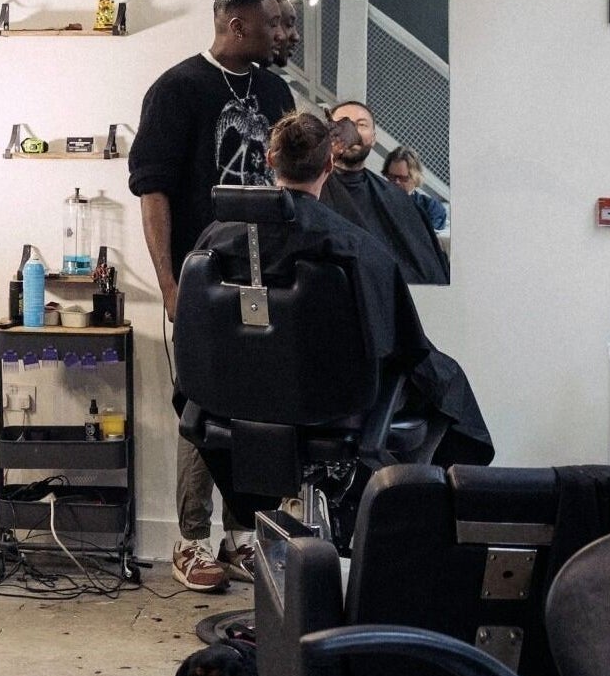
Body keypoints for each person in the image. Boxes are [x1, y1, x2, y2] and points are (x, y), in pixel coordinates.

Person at [184, 111, 493, 536]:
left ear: (270, 160)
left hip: (237, 400)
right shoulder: (354, 248)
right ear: (329, 165)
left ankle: (297, 506)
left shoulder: (216, 239)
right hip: (329, 404)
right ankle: (391, 519)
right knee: (444, 383)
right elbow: (402, 344)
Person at [128, 0, 296, 593]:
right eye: (273, 23)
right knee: (201, 409)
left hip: (268, 279)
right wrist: (171, 285)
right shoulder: (177, 90)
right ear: (236, 26)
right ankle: (191, 540)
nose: (285, 34)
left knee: (255, 410)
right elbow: (154, 194)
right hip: (204, 280)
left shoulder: (275, 91)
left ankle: (243, 537)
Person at [322, 102, 449, 284]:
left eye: (361, 124)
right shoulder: (310, 191)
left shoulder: (398, 199)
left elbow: (427, 269)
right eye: (342, 123)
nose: (351, 130)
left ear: (373, 138)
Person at [383, 146, 448, 232]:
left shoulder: (430, 208)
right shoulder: (376, 202)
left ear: (415, 178)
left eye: (403, 178)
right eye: (391, 177)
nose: (396, 182)